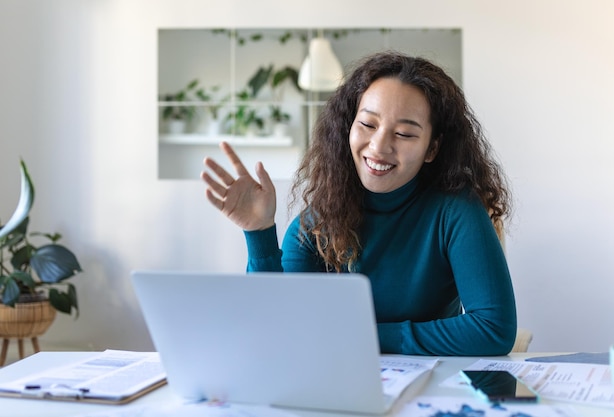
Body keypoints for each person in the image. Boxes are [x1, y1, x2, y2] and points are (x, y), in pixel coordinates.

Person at [201, 51, 517, 356]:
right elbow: (278, 329)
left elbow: (493, 328)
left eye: (405, 133)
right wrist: (259, 232)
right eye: (367, 124)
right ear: (348, 127)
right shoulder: (316, 223)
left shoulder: (456, 211)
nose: (378, 146)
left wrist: (362, 334)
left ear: (432, 149)